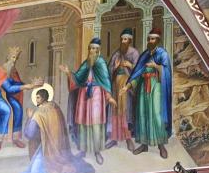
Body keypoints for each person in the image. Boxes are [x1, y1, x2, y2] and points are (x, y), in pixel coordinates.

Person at [0, 46, 44, 153]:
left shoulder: (12, 71)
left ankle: (16, 138)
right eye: (12, 57)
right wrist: (28, 86)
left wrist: (30, 85)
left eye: (15, 58)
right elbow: (9, 88)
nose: (14, 60)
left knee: (17, 108)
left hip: (7, 95)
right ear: (8, 57)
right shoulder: (2, 70)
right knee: (6, 110)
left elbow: (14, 84)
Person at [62, 37, 117, 165]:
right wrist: (68, 73)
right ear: (89, 50)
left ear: (99, 50)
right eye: (91, 48)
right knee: (83, 123)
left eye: (95, 49)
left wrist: (109, 96)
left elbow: (106, 82)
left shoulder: (102, 63)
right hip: (84, 95)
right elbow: (77, 77)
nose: (93, 51)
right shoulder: (86, 63)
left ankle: (97, 151)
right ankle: (83, 150)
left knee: (96, 123)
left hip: (97, 94)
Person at [21, 88, 94, 173]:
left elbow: (29, 134)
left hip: (47, 148)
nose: (36, 100)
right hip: (59, 147)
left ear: (43, 98)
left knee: (34, 172)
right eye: (36, 97)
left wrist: (29, 118)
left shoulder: (38, 114)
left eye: (38, 97)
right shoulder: (55, 107)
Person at [123, 29, 173, 159]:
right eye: (149, 39)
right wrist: (127, 86)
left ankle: (161, 145)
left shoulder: (162, 53)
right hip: (142, 87)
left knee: (156, 115)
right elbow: (137, 73)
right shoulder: (144, 54)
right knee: (142, 114)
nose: (150, 41)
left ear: (157, 40)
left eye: (152, 39)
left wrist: (156, 66)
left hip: (156, 87)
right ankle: (144, 144)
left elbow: (167, 72)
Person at [108, 29, 140, 151]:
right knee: (116, 110)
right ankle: (115, 138)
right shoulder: (117, 53)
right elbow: (110, 69)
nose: (123, 41)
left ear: (130, 40)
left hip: (127, 86)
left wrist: (130, 65)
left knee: (124, 111)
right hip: (116, 85)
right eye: (122, 39)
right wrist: (115, 67)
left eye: (125, 39)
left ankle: (127, 138)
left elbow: (139, 70)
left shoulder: (134, 53)